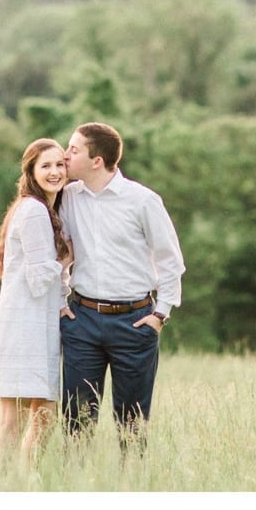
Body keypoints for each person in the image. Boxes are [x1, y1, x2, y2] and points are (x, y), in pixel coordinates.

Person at [58, 121, 184, 451]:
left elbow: (170, 259)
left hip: (135, 321)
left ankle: (132, 486)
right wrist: (60, 300)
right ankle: (76, 488)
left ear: (96, 160)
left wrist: (161, 314)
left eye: (73, 150)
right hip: (82, 320)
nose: (64, 155)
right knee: (76, 420)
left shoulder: (143, 201)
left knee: (132, 423)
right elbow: (59, 251)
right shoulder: (68, 197)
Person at [0, 137, 73, 461]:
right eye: (45, 166)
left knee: (46, 414)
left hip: (38, 327)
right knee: (14, 421)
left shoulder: (45, 210)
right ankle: (4, 488)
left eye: (59, 165)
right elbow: (38, 281)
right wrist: (67, 258)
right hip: (23, 327)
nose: (54, 172)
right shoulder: (34, 211)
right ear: (31, 172)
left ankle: (25, 480)